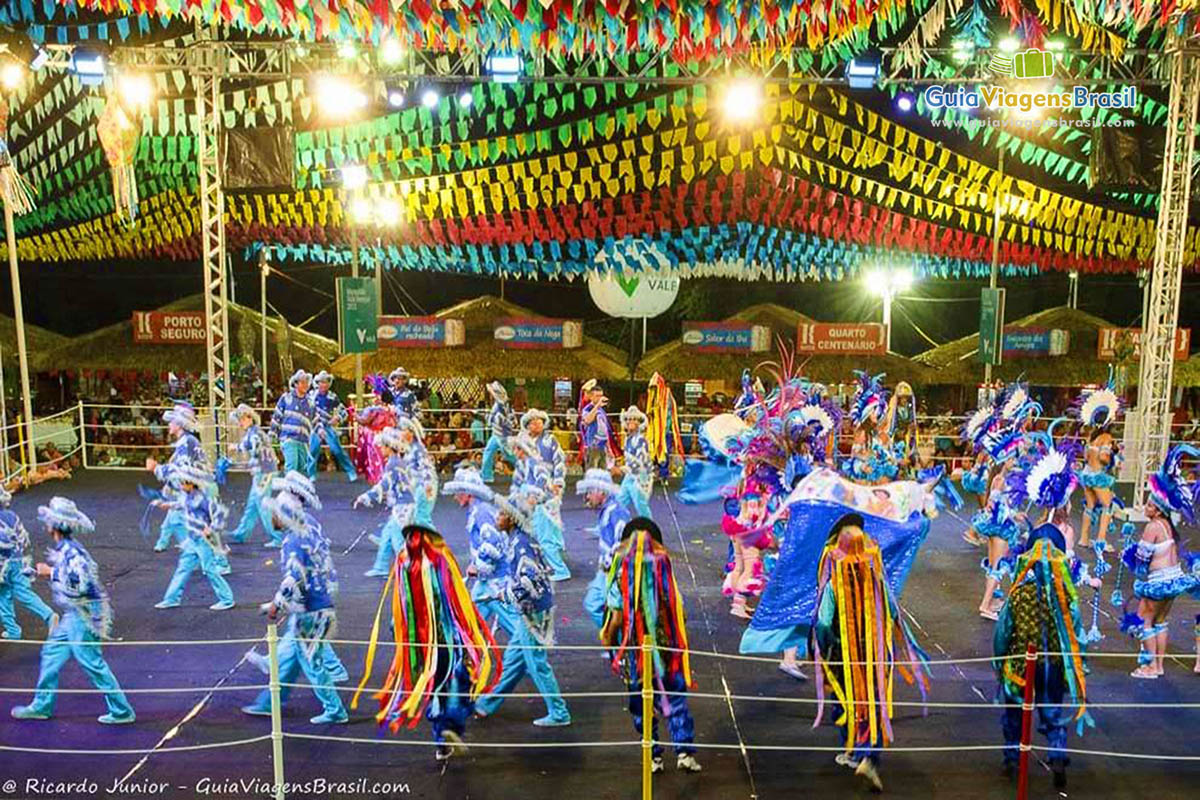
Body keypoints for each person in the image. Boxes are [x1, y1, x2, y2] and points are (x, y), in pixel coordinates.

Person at [352, 523, 500, 762]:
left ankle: (441, 742)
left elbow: (400, 609)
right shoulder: (440, 562)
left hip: (419, 644)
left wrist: (404, 636)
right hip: (445, 640)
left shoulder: (403, 563)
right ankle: (450, 725)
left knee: (435, 689)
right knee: (458, 681)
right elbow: (453, 600)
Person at [811, 514, 929, 793]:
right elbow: (891, 609)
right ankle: (870, 757)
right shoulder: (876, 577)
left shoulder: (833, 583)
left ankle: (853, 751)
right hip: (875, 653)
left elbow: (824, 622)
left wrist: (826, 648)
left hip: (844, 655)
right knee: (874, 702)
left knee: (845, 699)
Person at [11, 497, 135, 725]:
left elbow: (81, 585)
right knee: (51, 653)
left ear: (55, 525)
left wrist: (52, 572)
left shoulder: (73, 553)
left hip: (84, 615)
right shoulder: (66, 550)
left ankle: (122, 711)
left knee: (92, 663)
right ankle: (41, 705)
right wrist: (42, 572)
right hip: (73, 615)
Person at [241, 473, 348, 724]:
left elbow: (293, 579)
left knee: (312, 664)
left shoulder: (293, 540)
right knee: (289, 659)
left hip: (312, 612)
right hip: (314, 608)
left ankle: (335, 710)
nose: (272, 518)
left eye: (276, 513)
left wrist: (276, 606)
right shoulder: (309, 524)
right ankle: (268, 699)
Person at [599, 517, 700, 774]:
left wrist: (608, 639)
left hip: (635, 653)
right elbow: (681, 614)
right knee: (675, 698)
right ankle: (684, 752)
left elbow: (617, 616)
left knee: (641, 702)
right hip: (668, 649)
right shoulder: (664, 570)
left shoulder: (622, 574)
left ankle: (653, 755)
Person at [993, 523, 1091, 789]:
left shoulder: (1018, 595)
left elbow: (1002, 633)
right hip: (1053, 664)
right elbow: (1076, 633)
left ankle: (1012, 758)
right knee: (1051, 711)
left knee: (1014, 711)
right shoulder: (1065, 598)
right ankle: (1057, 754)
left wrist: (998, 662)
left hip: (1018, 665)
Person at [473, 486, 571, 727]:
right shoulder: (519, 539)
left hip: (533, 611)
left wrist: (504, 594)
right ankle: (486, 704)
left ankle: (559, 712)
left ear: (512, 519)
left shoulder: (520, 543)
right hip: (530, 609)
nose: (497, 517)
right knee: (515, 660)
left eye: (501, 515)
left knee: (536, 662)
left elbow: (531, 578)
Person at [1126, 444, 1200, 679]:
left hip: (1158, 583)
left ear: (1158, 510)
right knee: (1160, 621)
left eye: (1149, 505)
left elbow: (1141, 561)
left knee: (1143, 620)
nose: (1146, 507)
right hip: (1174, 580)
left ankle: (1150, 667)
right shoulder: (1168, 526)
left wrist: (1129, 555)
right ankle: (1158, 666)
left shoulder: (1151, 527)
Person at [153, 460, 235, 611]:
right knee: (183, 569)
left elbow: (220, 513)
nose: (181, 486)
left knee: (210, 570)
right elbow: (182, 503)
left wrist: (211, 528)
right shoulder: (187, 495)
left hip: (203, 540)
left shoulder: (202, 499)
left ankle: (227, 599)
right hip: (193, 540)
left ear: (191, 484)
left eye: (183, 483)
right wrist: (167, 505)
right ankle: (171, 599)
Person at [443, 465, 508, 631]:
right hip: (486, 579)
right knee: (470, 622)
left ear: (468, 492)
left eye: (459, 492)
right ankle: (468, 654)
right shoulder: (477, 510)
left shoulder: (481, 512)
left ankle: (529, 655)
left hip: (497, 579)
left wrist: (477, 565)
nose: (455, 497)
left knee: (513, 626)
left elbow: (494, 543)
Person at [147, 401, 208, 552]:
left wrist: (157, 468)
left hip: (196, 487)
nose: (169, 424)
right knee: (178, 519)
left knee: (195, 525)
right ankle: (189, 549)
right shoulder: (186, 441)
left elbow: (181, 469)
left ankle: (217, 561)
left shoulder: (186, 442)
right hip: (193, 486)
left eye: (172, 421)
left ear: (179, 424)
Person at [0, 484, 57, 640]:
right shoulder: (11, 515)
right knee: (23, 592)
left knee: (3, 595)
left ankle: (13, 630)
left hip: (2, 564)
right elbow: (23, 538)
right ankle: (48, 615)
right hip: (19, 560)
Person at [354, 428, 413, 578]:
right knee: (387, 534)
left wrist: (366, 496)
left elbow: (383, 486)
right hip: (404, 504)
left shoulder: (392, 464)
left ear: (389, 447)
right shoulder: (399, 462)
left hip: (403, 506)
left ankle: (409, 567)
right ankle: (381, 566)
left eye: (382, 446)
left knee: (397, 538)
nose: (380, 449)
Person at [577, 469, 630, 630]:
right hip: (608, 570)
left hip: (615, 572)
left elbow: (623, 543)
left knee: (595, 604)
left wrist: (609, 566)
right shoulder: (607, 511)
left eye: (589, 493)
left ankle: (620, 643)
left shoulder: (616, 513)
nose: (586, 497)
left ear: (601, 492)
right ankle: (617, 642)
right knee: (598, 605)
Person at [1074, 373, 1122, 551]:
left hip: (1086, 474)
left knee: (1090, 505)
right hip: (1097, 475)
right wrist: (1112, 456)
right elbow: (1103, 457)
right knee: (1108, 505)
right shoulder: (1106, 437)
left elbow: (1087, 457)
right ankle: (1101, 540)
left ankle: (1084, 538)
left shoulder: (1091, 438)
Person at [226, 404, 281, 548]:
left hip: (264, 472)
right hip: (262, 472)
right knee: (252, 505)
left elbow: (254, 448)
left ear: (249, 418)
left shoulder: (255, 433)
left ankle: (278, 537)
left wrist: (236, 449)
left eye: (242, 419)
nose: (240, 423)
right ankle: (242, 533)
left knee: (263, 505)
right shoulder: (254, 432)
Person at [307, 370, 358, 482]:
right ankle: (310, 474)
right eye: (321, 382)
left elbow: (343, 410)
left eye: (325, 382)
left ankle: (350, 471)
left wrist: (338, 418)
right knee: (313, 450)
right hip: (315, 426)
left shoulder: (332, 396)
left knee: (337, 450)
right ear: (317, 383)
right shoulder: (311, 395)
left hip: (327, 426)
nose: (323, 385)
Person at [271, 369, 317, 475]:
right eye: (302, 382)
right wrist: (273, 434)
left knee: (302, 467)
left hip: (304, 439)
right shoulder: (286, 398)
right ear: (296, 384)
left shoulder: (310, 402)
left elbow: (315, 419)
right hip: (288, 437)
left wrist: (321, 431)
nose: (305, 385)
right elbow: (277, 415)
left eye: (306, 382)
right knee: (292, 464)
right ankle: (289, 489)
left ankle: (297, 489)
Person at [618, 405, 654, 518]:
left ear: (639, 423)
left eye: (634, 419)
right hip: (629, 477)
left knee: (641, 506)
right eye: (628, 419)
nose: (630, 422)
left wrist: (622, 469)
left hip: (640, 478)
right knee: (619, 503)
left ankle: (650, 528)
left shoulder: (641, 440)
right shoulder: (628, 440)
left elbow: (640, 464)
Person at [480, 381, 516, 483]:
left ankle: (524, 472)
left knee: (510, 455)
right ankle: (486, 476)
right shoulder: (501, 404)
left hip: (502, 435)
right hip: (497, 434)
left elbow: (495, 420)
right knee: (488, 451)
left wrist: (484, 416)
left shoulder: (501, 406)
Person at [579, 379, 617, 470]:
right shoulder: (587, 409)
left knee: (603, 471)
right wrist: (597, 406)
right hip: (592, 445)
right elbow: (587, 420)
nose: (599, 398)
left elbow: (605, 430)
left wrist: (609, 448)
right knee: (592, 471)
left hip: (602, 446)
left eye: (601, 396)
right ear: (591, 397)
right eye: (597, 396)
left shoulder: (602, 411)